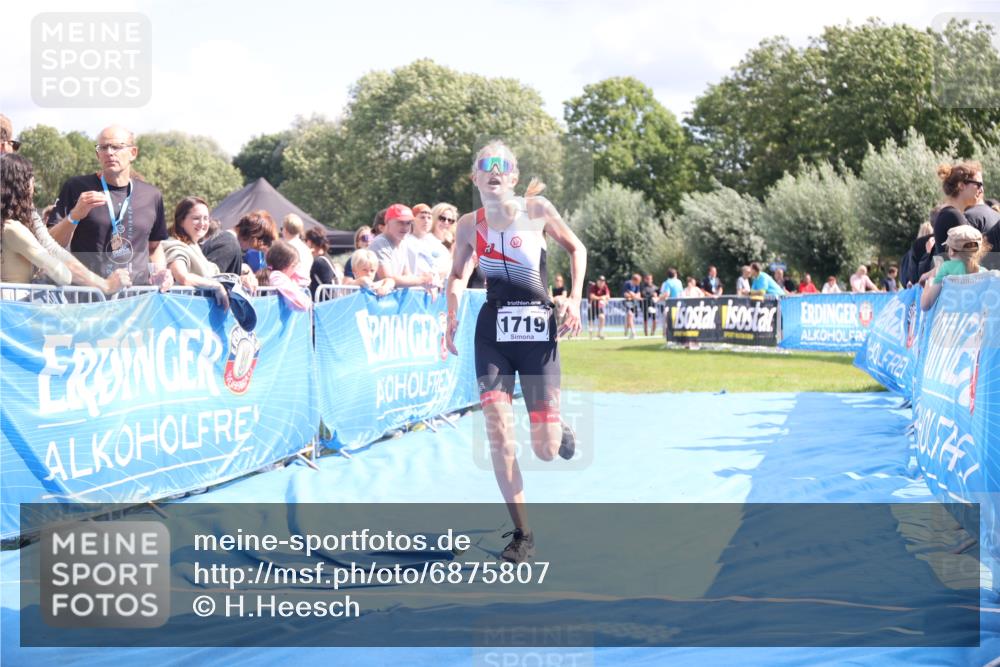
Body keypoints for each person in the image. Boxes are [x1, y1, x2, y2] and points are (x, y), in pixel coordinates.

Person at [445, 140, 585, 564]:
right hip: (493, 335)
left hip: (538, 334)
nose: (493, 171)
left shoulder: (537, 210)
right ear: (474, 178)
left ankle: (559, 431)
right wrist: (450, 312)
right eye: (485, 165)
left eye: (502, 165)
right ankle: (523, 534)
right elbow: (456, 273)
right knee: (500, 436)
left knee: (544, 448)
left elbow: (577, 249)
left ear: (513, 176)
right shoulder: (469, 224)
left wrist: (575, 299)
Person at [46, 125, 172, 290]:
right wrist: (74, 216)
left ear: (133, 153)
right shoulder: (77, 187)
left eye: (117, 147)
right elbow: (51, 244)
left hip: (137, 299)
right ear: (98, 154)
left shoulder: (151, 195)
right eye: (103, 147)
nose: (110, 152)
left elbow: (154, 247)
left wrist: (160, 272)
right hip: (90, 296)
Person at [0, 152, 129, 295]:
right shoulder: (14, 228)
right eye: (30, 177)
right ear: (21, 184)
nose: (33, 185)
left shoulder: (22, 218)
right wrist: (105, 286)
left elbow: (52, 249)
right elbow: (61, 272)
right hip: (16, 310)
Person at [2, 153, 71, 286]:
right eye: (31, 179)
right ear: (23, 186)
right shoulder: (13, 229)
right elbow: (64, 276)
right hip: (16, 304)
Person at [161, 197, 228, 307]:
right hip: (180, 314)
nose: (202, 223)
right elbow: (183, 277)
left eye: (206, 218)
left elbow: (212, 271)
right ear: (181, 221)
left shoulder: (193, 246)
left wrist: (243, 272)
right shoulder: (174, 245)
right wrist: (216, 286)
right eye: (196, 218)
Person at [920, 226, 991, 310]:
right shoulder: (985, 273)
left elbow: (925, 305)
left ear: (951, 251)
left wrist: (929, 282)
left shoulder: (946, 268)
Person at [369, 204, 438, 289]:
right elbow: (388, 279)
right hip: (376, 299)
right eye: (400, 222)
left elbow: (407, 275)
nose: (405, 227)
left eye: (408, 223)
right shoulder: (380, 243)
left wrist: (427, 284)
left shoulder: (403, 242)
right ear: (387, 222)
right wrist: (422, 280)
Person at [932, 161, 981, 256]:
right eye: (978, 184)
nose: (981, 190)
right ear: (961, 185)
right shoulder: (952, 216)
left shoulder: (949, 214)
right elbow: (973, 256)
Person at [408, 203, 451, 283]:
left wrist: (436, 274)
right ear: (413, 220)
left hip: (436, 289)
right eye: (422, 217)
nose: (426, 221)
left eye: (429, 218)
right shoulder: (405, 242)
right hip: (414, 290)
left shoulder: (438, 245)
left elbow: (448, 269)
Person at [262, 240, 311, 311]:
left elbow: (305, 281)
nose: (296, 269)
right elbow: (302, 304)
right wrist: (308, 302)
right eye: (294, 265)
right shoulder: (277, 277)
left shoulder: (280, 277)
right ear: (286, 266)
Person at [304, 228, 338, 297]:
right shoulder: (326, 257)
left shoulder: (318, 262)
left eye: (306, 240)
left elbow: (306, 278)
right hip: (330, 300)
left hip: (322, 302)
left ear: (310, 242)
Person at [282, 213, 313, 286]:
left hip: (290, 288)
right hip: (304, 288)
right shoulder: (306, 249)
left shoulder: (285, 248)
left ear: (285, 230)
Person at [587, 275, 611, 339]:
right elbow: (592, 296)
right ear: (597, 281)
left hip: (599, 307)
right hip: (592, 306)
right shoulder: (593, 287)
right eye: (600, 281)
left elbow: (608, 296)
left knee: (602, 317)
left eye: (603, 281)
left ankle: (600, 333)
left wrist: (604, 298)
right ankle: (590, 336)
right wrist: (601, 298)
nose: (601, 282)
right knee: (591, 321)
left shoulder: (605, 287)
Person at [622, 273, 641, 339]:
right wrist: (633, 295)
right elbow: (625, 294)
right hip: (627, 302)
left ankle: (626, 333)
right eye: (638, 281)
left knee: (629, 318)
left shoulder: (637, 285)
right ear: (634, 280)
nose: (638, 283)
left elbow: (639, 295)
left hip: (634, 303)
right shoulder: (627, 284)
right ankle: (633, 332)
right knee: (630, 315)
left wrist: (633, 295)